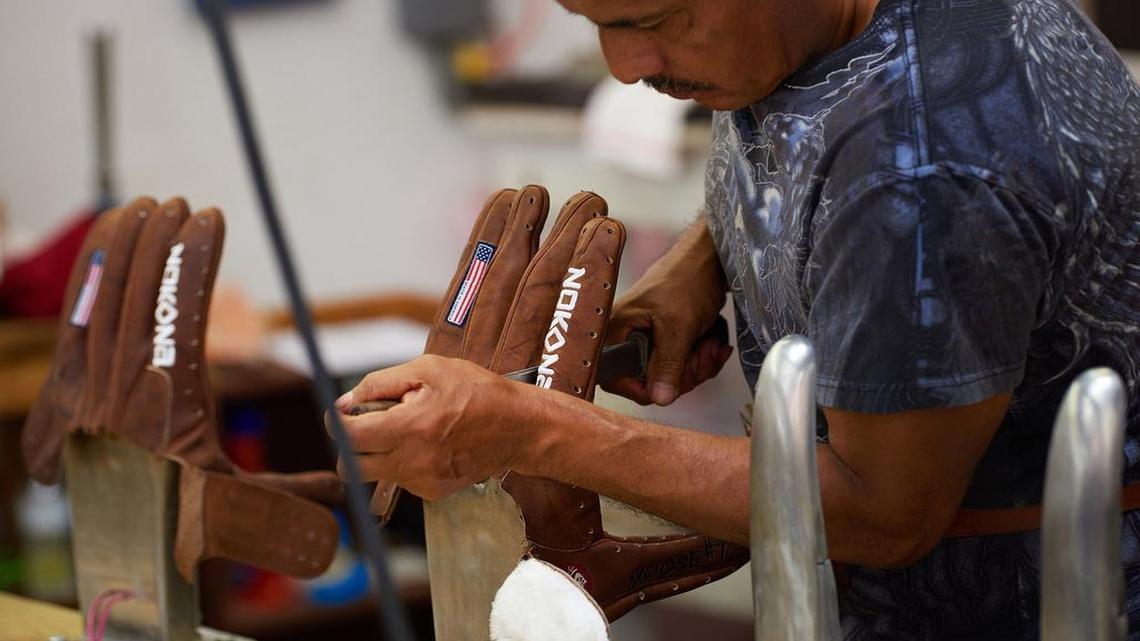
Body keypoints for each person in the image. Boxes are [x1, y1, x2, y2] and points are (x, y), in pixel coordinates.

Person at [336, 0, 1140, 637]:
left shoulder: (927, 166)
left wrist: (535, 431)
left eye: (653, 21)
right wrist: (705, 259)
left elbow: (883, 510)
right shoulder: (801, 37)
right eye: (597, 26)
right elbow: (807, 131)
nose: (626, 68)